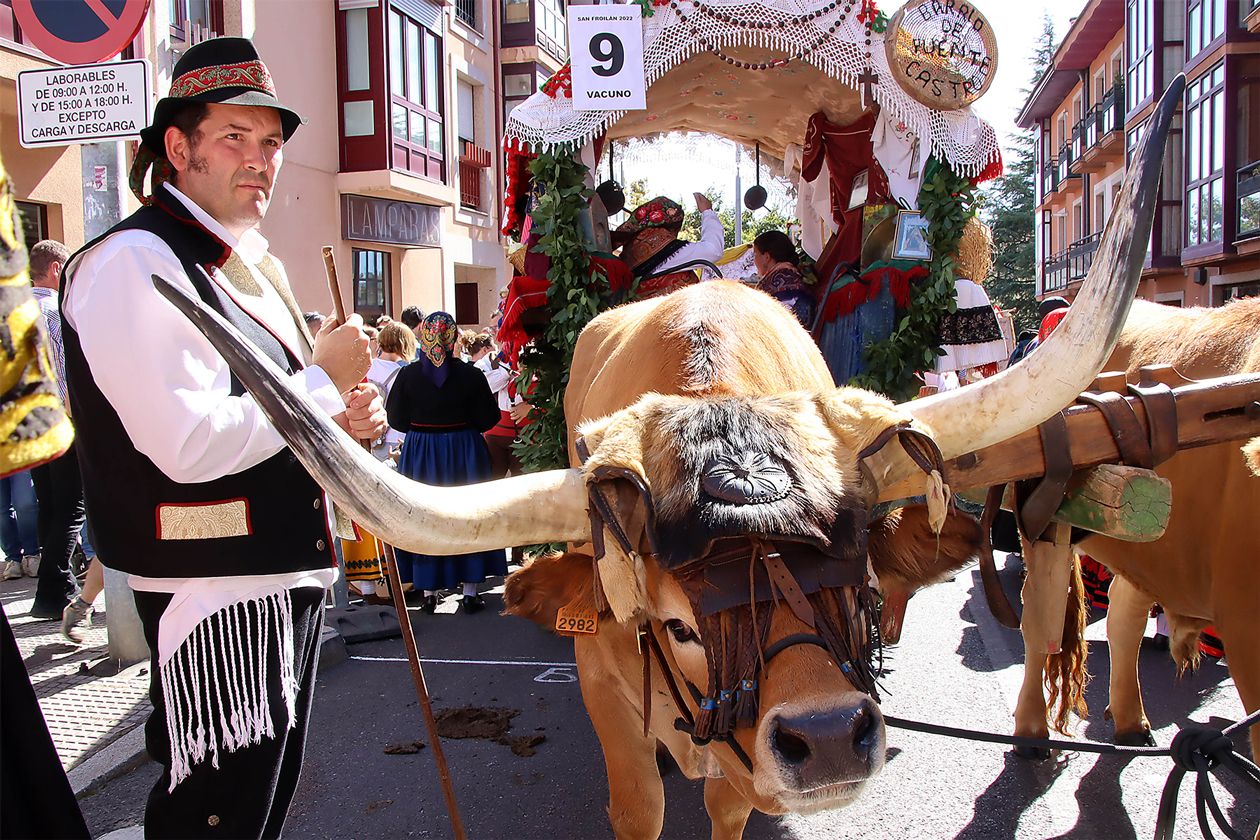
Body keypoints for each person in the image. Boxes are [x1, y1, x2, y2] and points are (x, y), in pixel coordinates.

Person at [60, 37, 384, 838]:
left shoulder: (236, 262)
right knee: (213, 816)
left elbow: (268, 420)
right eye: (234, 137)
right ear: (179, 147)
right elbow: (189, 442)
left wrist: (342, 425)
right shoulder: (137, 260)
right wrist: (315, 382)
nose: (261, 159)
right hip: (216, 597)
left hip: (267, 578)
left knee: (251, 811)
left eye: (270, 142)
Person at [386, 312, 503, 613]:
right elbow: (489, 418)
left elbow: (396, 419)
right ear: (453, 340)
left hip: (421, 451)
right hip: (464, 449)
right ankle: (470, 590)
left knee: (424, 514)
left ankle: (429, 590)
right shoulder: (472, 375)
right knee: (470, 513)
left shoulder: (408, 375)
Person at [27, 239, 87, 621]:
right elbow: (66, 378)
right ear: (54, 270)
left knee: (49, 504)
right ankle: (53, 590)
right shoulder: (53, 314)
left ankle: (57, 586)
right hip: (59, 423)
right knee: (71, 507)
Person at [341, 322, 415, 603]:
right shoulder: (402, 372)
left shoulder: (366, 371)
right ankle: (394, 580)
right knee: (388, 512)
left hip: (367, 443)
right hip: (391, 443)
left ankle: (369, 585)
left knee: (363, 512)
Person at [614, 193, 724, 298]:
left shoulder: (632, 247)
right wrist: (707, 212)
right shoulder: (659, 244)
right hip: (670, 313)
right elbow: (713, 250)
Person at [752, 230, 814, 327]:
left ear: (767, 257)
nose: (753, 260)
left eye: (755, 254)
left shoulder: (781, 279)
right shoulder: (789, 276)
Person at [0, 469, 39, 581]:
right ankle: (13, 559)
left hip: (20, 454)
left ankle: (32, 554)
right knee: (2, 508)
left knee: (26, 503)